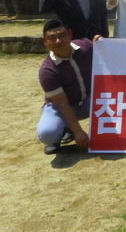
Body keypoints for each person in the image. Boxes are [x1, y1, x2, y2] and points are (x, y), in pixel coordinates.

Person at [37, 19, 101, 155]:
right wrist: (78, 131)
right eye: (52, 38)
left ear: (70, 34)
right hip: (60, 106)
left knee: (119, 102)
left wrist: (103, 44)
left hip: (89, 101)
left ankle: (68, 127)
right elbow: (62, 104)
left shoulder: (86, 46)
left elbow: (109, 57)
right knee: (47, 133)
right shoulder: (47, 71)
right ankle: (62, 132)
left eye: (61, 35)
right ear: (45, 41)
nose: (58, 41)